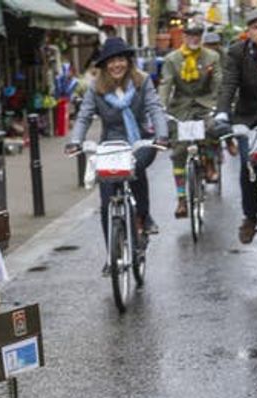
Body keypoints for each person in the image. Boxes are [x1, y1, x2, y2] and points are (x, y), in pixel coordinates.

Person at [67, 37, 169, 263]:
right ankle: (111, 257)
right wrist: (75, 141)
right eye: (111, 61)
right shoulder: (96, 87)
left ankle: (143, 216)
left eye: (121, 60)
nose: (116, 65)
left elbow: (154, 109)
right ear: (104, 65)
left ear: (128, 61)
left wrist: (162, 136)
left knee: (136, 167)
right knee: (106, 201)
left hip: (140, 140)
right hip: (111, 144)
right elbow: (84, 116)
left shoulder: (142, 81)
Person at [158, 21, 222, 218]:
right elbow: (166, 84)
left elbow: (218, 81)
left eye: (197, 35)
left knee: (212, 128)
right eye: (190, 35)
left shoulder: (212, 56)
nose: (194, 39)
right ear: (184, 37)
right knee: (179, 151)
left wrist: (219, 104)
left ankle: (209, 162)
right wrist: (161, 107)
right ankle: (181, 199)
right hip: (181, 107)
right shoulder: (172, 59)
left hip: (205, 103)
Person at [215, 9, 257, 244]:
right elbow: (229, 84)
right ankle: (250, 217)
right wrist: (222, 113)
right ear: (248, 32)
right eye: (256, 27)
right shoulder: (237, 52)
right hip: (249, 119)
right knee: (249, 165)